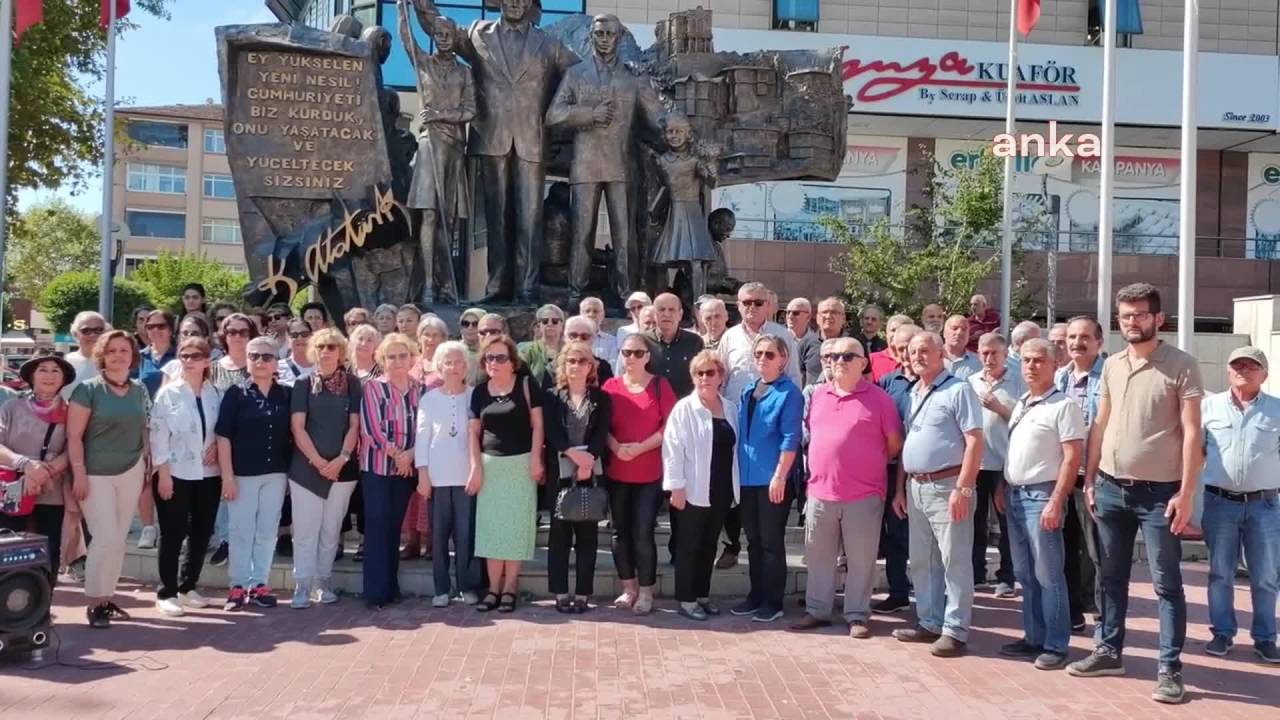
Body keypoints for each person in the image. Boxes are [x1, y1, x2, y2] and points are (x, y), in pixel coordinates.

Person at [1069, 283, 1202, 705]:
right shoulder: (1111, 365)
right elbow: (1100, 425)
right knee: (1110, 577)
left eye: (1140, 314)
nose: (1131, 321)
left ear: (1158, 319)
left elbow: (1193, 433)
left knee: (1166, 584)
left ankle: (1169, 668)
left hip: (1160, 495)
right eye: (1125, 315)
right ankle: (1109, 650)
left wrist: (1186, 494)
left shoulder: (1181, 364)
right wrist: (1089, 480)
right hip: (1109, 489)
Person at [412, 0, 579, 305]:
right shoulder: (477, 33)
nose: (515, 3)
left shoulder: (550, 43)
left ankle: (528, 288)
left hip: (532, 138)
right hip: (492, 136)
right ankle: (498, 286)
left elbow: (581, 74)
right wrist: (421, 5)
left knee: (530, 218)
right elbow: (439, 28)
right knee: (497, 217)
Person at [546, 14, 664, 305]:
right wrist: (588, 114)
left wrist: (679, 130)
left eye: (610, 33)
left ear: (619, 38)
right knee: (580, 235)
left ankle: (626, 296)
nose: (604, 39)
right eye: (599, 33)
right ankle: (576, 293)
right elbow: (553, 115)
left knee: (624, 237)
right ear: (591, 37)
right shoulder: (576, 74)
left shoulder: (633, 78)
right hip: (585, 165)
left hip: (622, 167)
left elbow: (657, 118)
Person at [790, 338, 901, 638]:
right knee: (818, 557)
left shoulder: (880, 400)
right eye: (835, 355)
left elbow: (893, 445)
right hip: (820, 492)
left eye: (847, 356)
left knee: (861, 559)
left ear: (863, 362)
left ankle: (857, 614)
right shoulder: (817, 396)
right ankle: (817, 610)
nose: (839, 360)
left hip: (863, 495)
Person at [891, 331, 983, 657]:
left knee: (954, 560)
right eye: (913, 351)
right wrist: (901, 487)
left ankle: (955, 630)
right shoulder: (915, 392)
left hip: (948, 486)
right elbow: (907, 444)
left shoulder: (959, 390)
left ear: (941, 353)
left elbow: (975, 441)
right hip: (915, 487)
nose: (918, 356)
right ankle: (929, 621)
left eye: (925, 350)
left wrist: (964, 486)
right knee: (921, 560)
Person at [999, 339, 1085, 670]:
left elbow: (1072, 457)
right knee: (1025, 573)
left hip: (1042, 496)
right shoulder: (1022, 402)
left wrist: (1056, 500)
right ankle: (1033, 637)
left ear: (1053, 365)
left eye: (1039, 360)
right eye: (1027, 361)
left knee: (1049, 574)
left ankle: (1056, 644)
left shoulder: (1063, 406)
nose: (1032, 366)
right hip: (1016, 495)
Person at [1199, 346, 1280, 664]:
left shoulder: (1277, 410)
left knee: (1265, 575)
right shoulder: (1209, 407)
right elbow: (1196, 452)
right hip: (1220, 503)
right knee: (1220, 573)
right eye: (1237, 365)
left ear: (1265, 374)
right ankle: (1222, 633)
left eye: (1251, 365)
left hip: (1265, 506)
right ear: (1228, 371)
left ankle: (1265, 638)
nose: (1243, 370)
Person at [68, 329, 150, 628]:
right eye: (112, 350)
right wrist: (78, 474)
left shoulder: (139, 389)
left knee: (117, 541)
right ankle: (93, 601)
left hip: (130, 469)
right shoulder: (88, 389)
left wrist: (147, 466)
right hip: (94, 473)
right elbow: (74, 436)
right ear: (103, 354)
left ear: (132, 356)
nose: (118, 355)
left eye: (124, 351)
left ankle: (106, 597)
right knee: (103, 538)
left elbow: (144, 430)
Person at [715, 283, 799, 570]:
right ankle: (730, 543)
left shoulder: (782, 336)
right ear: (738, 305)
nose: (751, 307)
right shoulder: (729, 337)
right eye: (746, 302)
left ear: (769, 305)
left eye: (758, 302)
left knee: (766, 522)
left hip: (770, 431)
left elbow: (794, 380)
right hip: (736, 423)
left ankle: (769, 589)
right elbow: (722, 380)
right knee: (734, 489)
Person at [730, 334, 803, 624]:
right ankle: (755, 595)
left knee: (772, 542)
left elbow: (790, 438)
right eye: (758, 353)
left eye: (770, 354)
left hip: (773, 478)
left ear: (783, 359)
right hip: (747, 479)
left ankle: (773, 601)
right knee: (754, 541)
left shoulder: (789, 393)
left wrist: (780, 476)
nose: (763, 359)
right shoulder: (749, 389)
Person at [216, 337, 292, 612]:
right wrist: (227, 476)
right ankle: (237, 585)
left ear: (276, 363)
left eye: (267, 357)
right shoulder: (235, 394)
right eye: (254, 356)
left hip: (275, 474)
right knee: (240, 531)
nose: (260, 361)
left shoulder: (286, 394)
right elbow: (223, 437)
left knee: (267, 531)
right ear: (247, 360)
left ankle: (260, 583)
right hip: (243, 475)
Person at [469, 334, 544, 613]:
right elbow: (473, 432)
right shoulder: (479, 392)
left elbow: (538, 425)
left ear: (512, 362)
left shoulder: (526, 384)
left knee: (514, 528)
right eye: (489, 357)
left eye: (501, 357)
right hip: (490, 466)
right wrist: (475, 467)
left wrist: (536, 459)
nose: (494, 362)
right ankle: (493, 588)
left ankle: (510, 587)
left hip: (521, 464)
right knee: (490, 529)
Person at [148, 337, 222, 617]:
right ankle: (166, 592)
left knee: (202, 530)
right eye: (184, 356)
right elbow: (158, 435)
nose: (188, 361)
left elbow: (218, 429)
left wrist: (215, 445)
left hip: (208, 474)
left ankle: (187, 586)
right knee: (172, 532)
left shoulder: (214, 392)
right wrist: (163, 473)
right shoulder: (168, 394)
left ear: (206, 361)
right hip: (175, 473)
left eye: (194, 356)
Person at [287, 329, 362, 609]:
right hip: (306, 469)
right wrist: (319, 462)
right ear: (313, 351)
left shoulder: (353, 384)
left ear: (341, 352)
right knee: (305, 531)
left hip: (343, 470)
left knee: (331, 530)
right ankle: (302, 584)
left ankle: (323, 581)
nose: (326, 351)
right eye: (321, 346)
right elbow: (297, 427)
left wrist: (341, 458)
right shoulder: (303, 384)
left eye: (332, 346)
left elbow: (355, 425)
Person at [603, 333, 675, 615]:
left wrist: (641, 447)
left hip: (649, 472)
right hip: (617, 469)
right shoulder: (610, 386)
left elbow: (670, 426)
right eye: (626, 352)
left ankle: (646, 591)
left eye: (637, 352)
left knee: (642, 532)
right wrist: (616, 446)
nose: (630, 357)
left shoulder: (660, 386)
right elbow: (601, 426)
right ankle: (628, 588)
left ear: (648, 356)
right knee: (619, 532)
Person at [664, 350, 738, 621]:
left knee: (709, 545)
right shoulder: (685, 408)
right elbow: (672, 449)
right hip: (692, 489)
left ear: (721, 376)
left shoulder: (729, 407)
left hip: (721, 490)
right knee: (688, 546)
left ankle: (702, 595)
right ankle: (686, 599)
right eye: (699, 373)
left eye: (710, 372)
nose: (705, 378)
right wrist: (676, 487)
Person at [543, 341, 610, 613]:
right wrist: (573, 454)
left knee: (587, 535)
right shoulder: (551, 396)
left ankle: (582, 592)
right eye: (571, 360)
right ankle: (560, 591)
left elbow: (602, 432)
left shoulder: (601, 398)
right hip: (560, 470)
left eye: (582, 361)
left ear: (591, 367)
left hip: (590, 473)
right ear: (563, 365)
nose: (576, 366)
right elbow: (551, 431)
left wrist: (589, 460)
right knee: (559, 536)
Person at [358, 333, 423, 610]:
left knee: (394, 528)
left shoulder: (421, 390)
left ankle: (391, 586)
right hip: (378, 468)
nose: (397, 361)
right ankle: (375, 592)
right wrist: (399, 454)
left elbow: (425, 427)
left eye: (402, 355)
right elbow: (372, 429)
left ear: (412, 357)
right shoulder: (374, 388)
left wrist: (411, 455)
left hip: (406, 470)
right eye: (391, 356)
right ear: (382, 360)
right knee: (377, 527)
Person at [416, 341, 480, 607]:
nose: (453, 367)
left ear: (466, 366)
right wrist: (423, 474)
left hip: (467, 477)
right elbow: (422, 437)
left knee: (466, 535)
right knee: (439, 536)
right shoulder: (429, 399)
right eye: (448, 362)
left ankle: (466, 586)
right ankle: (442, 588)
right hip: (438, 478)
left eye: (458, 362)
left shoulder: (475, 395)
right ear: (440, 366)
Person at [0, 355, 74, 581]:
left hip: (51, 488)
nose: (49, 376)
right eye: (43, 370)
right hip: (12, 488)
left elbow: (73, 449)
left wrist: (44, 473)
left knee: (47, 550)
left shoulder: (70, 411)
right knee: (8, 547)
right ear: (32, 376)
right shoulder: (12, 406)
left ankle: (42, 608)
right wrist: (25, 465)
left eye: (55, 371)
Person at [1057, 315, 1106, 631]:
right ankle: (1072, 611)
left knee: (1099, 552)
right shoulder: (1060, 378)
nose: (1077, 343)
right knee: (1065, 547)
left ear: (1099, 342)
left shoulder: (1111, 379)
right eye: (1072, 337)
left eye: (1085, 337)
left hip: (1098, 478)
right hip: (1063, 478)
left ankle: (1105, 615)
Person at [874, 323, 922, 613]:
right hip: (891, 468)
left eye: (910, 347)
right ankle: (898, 590)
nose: (905, 353)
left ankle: (930, 593)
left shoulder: (935, 382)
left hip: (922, 470)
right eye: (900, 347)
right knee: (894, 534)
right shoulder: (888, 382)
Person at [969, 332, 1021, 597]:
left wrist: (1000, 408)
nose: (989, 358)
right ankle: (976, 573)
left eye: (994, 353)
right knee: (974, 522)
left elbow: (1027, 421)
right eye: (984, 353)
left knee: (1006, 523)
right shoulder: (969, 382)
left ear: (1005, 355)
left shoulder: (1018, 382)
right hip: (975, 464)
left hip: (1005, 464)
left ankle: (1007, 577)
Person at [643, 292, 703, 398]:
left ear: (680, 314)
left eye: (672, 310)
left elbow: (703, 377)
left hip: (684, 409)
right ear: (654, 314)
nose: (666, 314)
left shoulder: (695, 342)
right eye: (662, 310)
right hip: (651, 407)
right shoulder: (642, 341)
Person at [520, 304, 567, 387]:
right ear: (539, 325)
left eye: (555, 321)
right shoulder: (527, 351)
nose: (550, 324)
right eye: (545, 321)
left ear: (562, 325)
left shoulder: (569, 349)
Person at [212, 313, 258, 392]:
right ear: (224, 335)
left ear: (251, 335)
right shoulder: (212, 369)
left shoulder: (260, 365)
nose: (237, 336)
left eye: (243, 332)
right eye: (232, 332)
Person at [564, 316, 615, 385]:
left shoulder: (603, 367)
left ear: (593, 339)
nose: (578, 340)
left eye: (584, 337)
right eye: (573, 335)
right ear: (565, 338)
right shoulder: (554, 367)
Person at [810, 297, 849, 381]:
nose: (828, 316)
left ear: (843, 318)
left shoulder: (854, 345)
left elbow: (866, 378)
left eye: (834, 312)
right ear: (817, 318)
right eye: (824, 312)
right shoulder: (806, 344)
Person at [785, 297, 820, 387]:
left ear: (808, 317)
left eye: (795, 313)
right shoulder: (778, 338)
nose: (790, 316)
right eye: (788, 312)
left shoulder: (816, 341)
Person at [870, 313, 913, 382]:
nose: (896, 334)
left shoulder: (915, 359)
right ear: (886, 334)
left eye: (901, 330)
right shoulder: (872, 359)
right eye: (893, 330)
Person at [410, 315, 449, 388]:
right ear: (419, 338)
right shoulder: (411, 362)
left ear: (443, 338)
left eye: (435, 335)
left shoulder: (448, 364)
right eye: (426, 335)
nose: (430, 339)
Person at [578, 297, 617, 367]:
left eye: (595, 311)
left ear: (603, 315)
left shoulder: (612, 341)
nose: (591, 314)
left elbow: (613, 367)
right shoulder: (573, 339)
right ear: (581, 314)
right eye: (587, 311)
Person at [278, 319, 316, 386]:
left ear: (312, 336)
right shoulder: (277, 368)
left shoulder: (323, 366)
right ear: (288, 338)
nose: (300, 338)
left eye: (304, 334)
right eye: (294, 335)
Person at [943, 315, 981, 380]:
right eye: (954, 328)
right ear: (944, 333)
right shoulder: (931, 358)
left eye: (964, 329)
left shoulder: (979, 363)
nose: (959, 332)